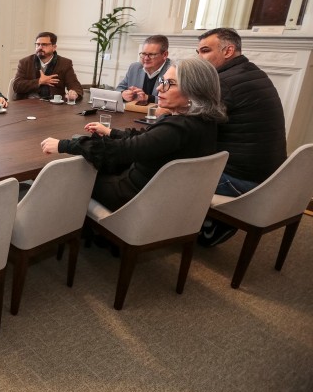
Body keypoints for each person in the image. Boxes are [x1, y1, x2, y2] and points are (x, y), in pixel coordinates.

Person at [40, 57, 225, 212]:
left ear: (194, 90)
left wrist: (64, 145)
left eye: (169, 84)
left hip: (135, 197)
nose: (159, 89)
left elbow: (119, 151)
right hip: (166, 196)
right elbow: (146, 139)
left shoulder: (177, 128)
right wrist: (110, 131)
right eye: (162, 82)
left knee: (72, 175)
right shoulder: (204, 121)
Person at [195, 27, 287, 246]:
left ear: (228, 51)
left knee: (167, 168)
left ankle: (177, 227)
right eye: (198, 52)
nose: (199, 58)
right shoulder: (253, 72)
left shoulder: (224, 82)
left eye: (205, 51)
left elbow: (195, 128)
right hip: (270, 176)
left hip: (243, 180)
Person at [11, 32, 83, 102]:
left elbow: (75, 85)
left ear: (54, 47)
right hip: (27, 104)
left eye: (44, 44)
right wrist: (39, 81)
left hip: (53, 104)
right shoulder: (25, 62)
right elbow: (16, 86)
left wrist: (74, 93)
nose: (40, 47)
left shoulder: (65, 63)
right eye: (38, 44)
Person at [115, 34, 171, 104]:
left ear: (165, 55)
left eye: (151, 54)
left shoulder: (173, 72)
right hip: (133, 110)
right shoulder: (134, 67)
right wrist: (123, 94)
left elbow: (173, 100)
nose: (146, 58)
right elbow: (118, 89)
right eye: (144, 54)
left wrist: (148, 98)